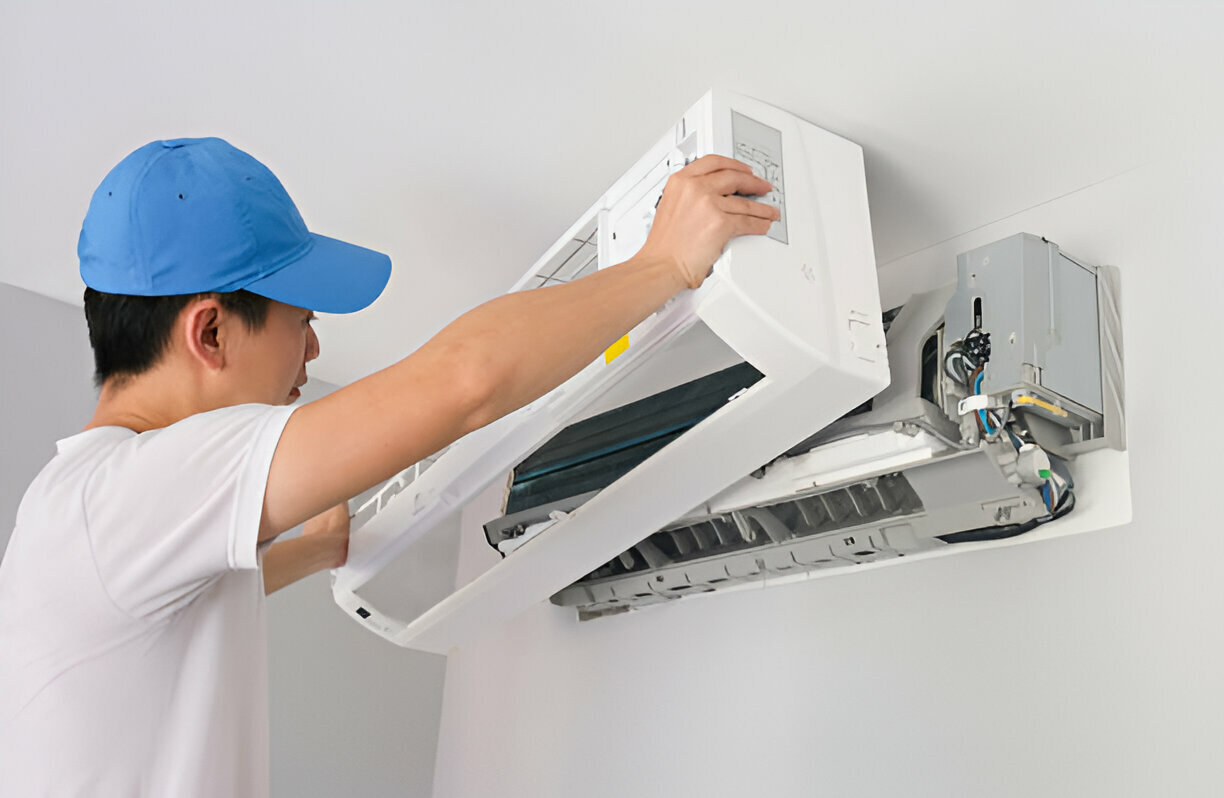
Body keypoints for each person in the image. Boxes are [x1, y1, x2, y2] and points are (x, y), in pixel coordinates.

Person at [0, 136, 779, 796]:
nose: (311, 350)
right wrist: (665, 262)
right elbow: (464, 385)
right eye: (300, 323)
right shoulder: (131, 488)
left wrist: (312, 550)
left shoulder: (87, 511)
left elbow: (179, 612)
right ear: (210, 333)